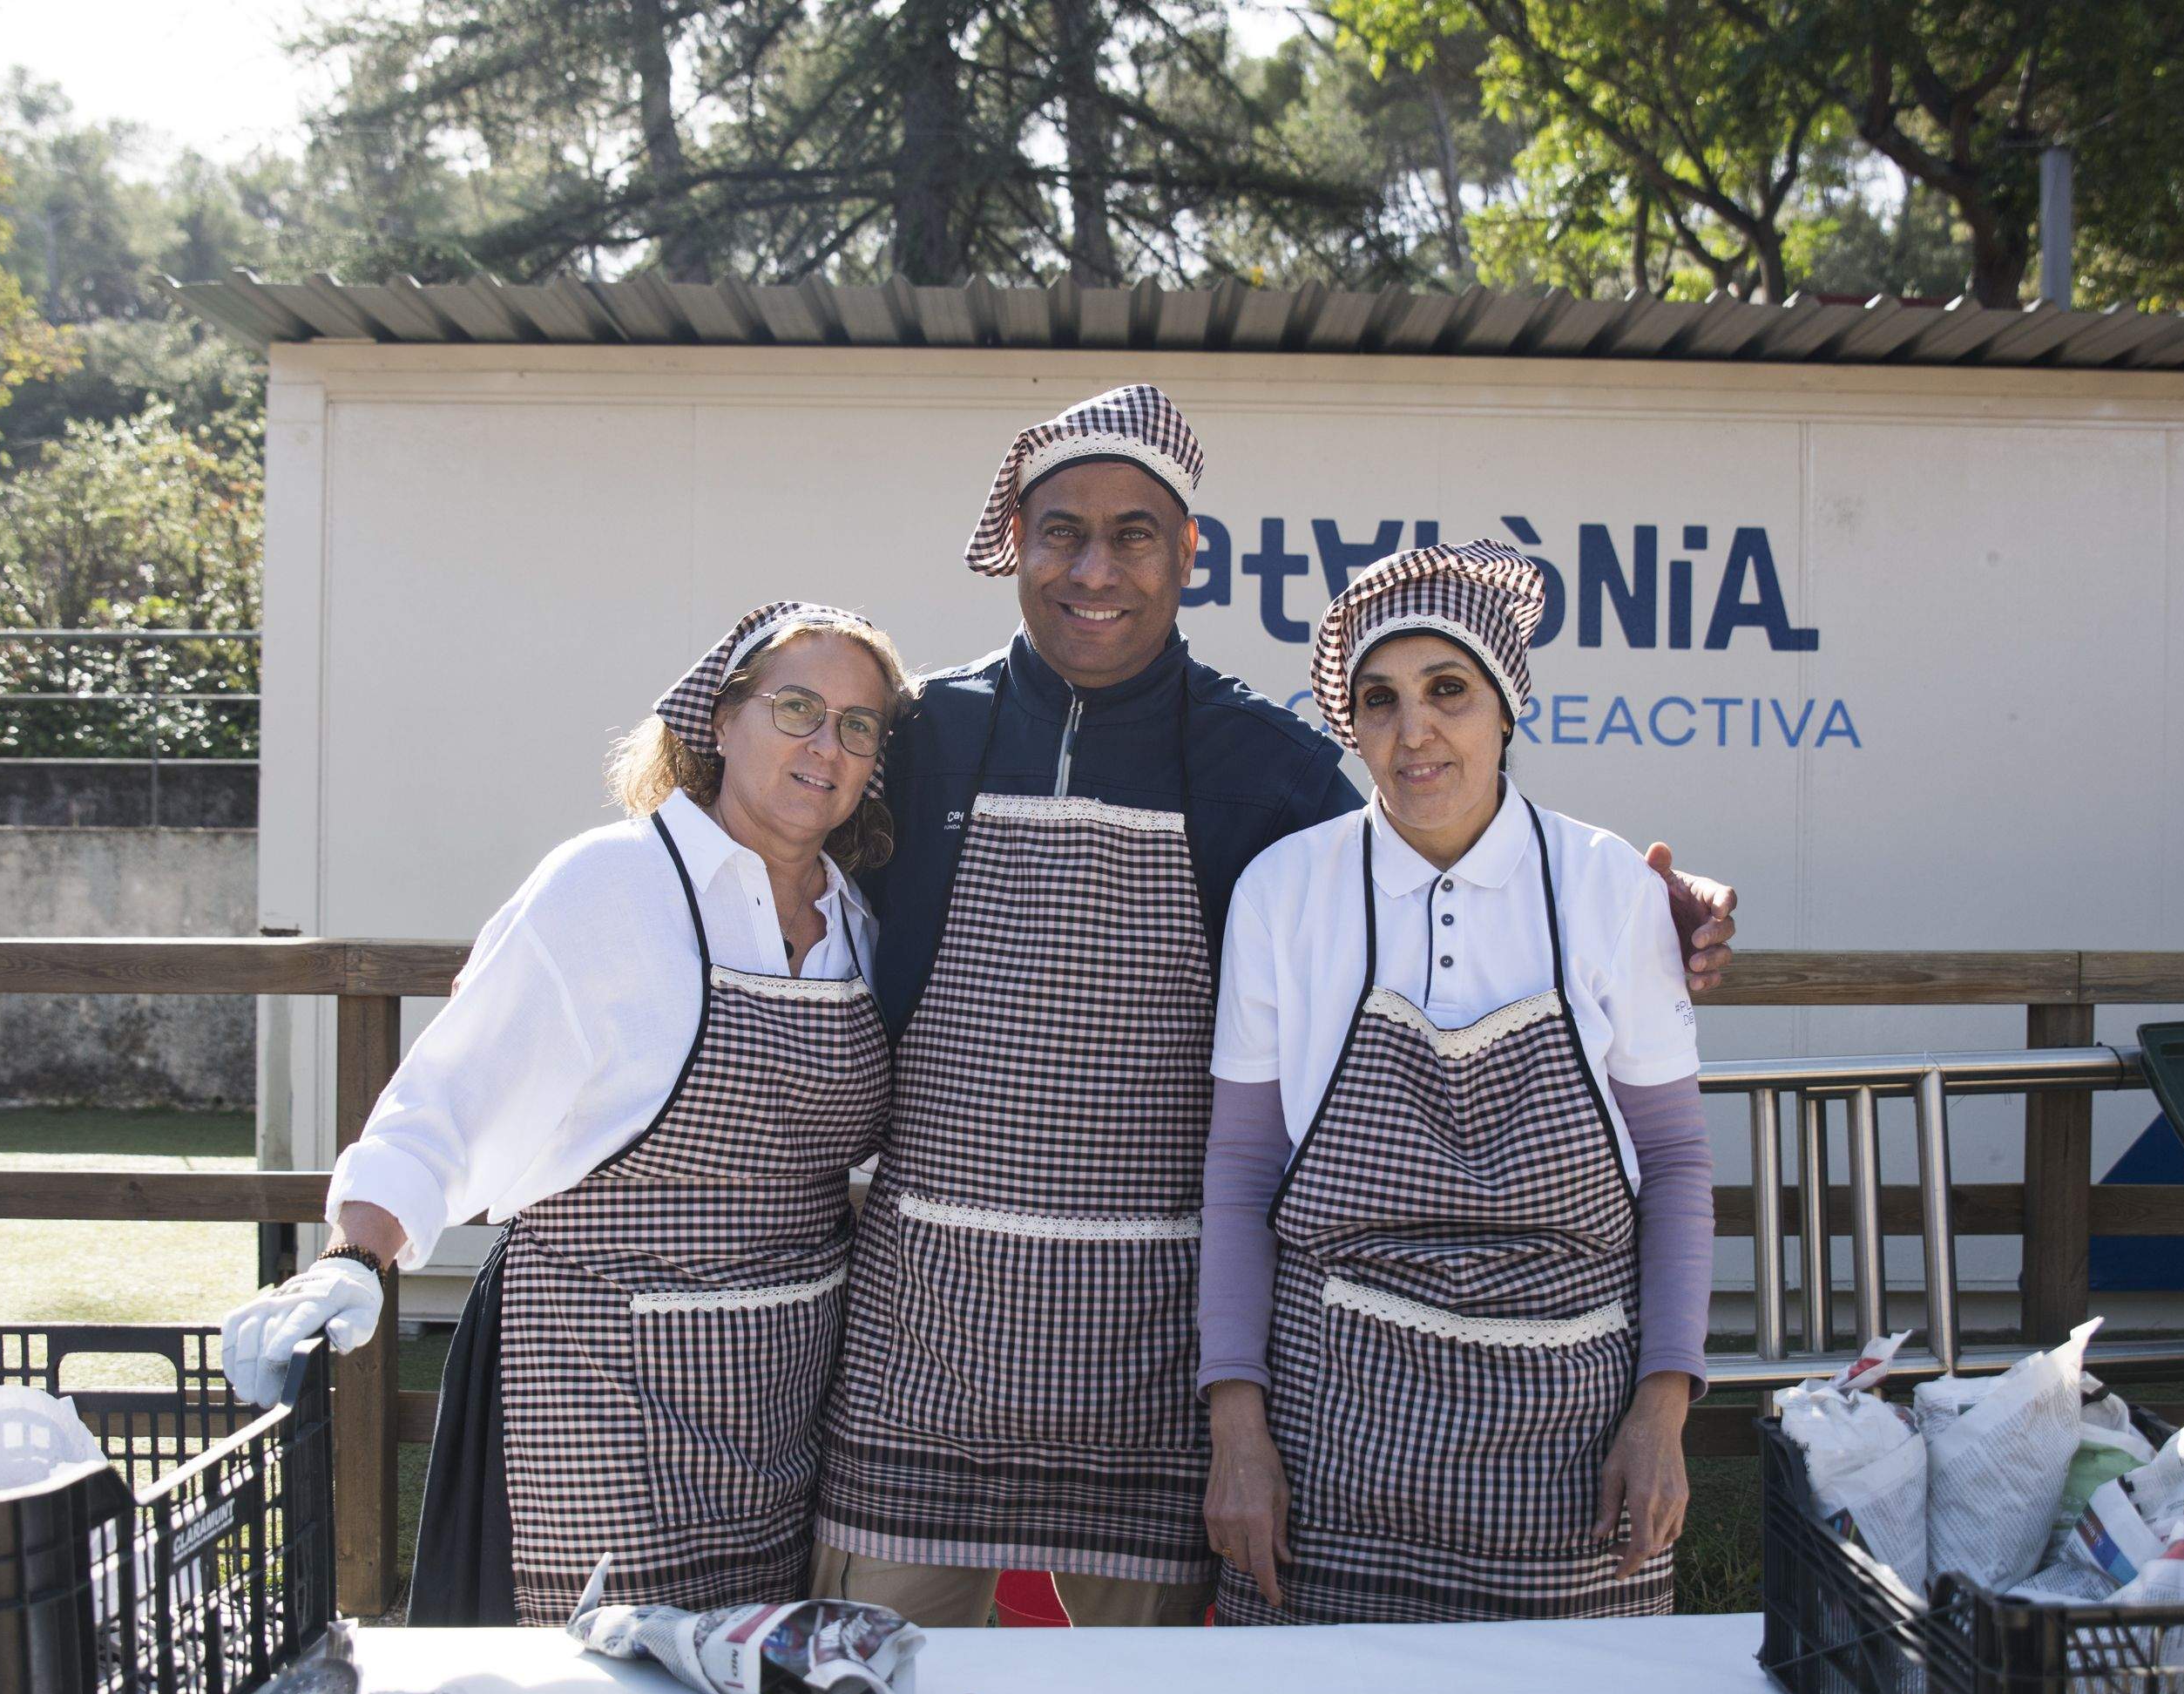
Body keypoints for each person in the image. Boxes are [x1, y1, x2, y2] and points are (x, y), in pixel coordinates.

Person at [815, 386, 1740, 1630]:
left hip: (1142, 1354)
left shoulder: (1266, 768)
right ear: (1013, 542)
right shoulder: (922, 735)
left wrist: (1648, 902)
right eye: (1060, 532)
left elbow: (1439, 829)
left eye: (1133, 533)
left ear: (1190, 553)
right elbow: (769, 848)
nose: (1094, 569)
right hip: (919, 1337)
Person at [220, 602, 906, 1625]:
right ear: (718, 722)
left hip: (783, 1397)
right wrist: (356, 1255)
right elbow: (450, 1092)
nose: (826, 744)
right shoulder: (613, 885)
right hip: (600, 1384)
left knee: (745, 1692)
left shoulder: (858, 921)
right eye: (797, 707)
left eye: (858, 725)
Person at [1198, 542, 1714, 1623]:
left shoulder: (1607, 885)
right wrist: (1237, 1430)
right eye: (1378, 700)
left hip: (1569, 1450)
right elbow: (1244, 1175)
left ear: (1506, 707)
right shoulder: (1286, 891)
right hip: (1335, 1437)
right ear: (1350, 725)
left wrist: (1661, 1411)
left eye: (1449, 691)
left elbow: (1672, 1164)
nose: (1413, 730)